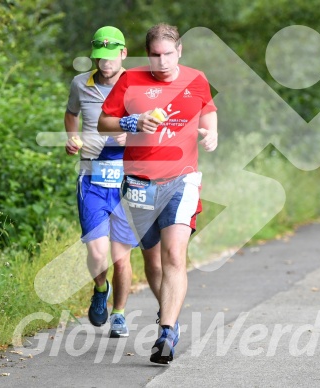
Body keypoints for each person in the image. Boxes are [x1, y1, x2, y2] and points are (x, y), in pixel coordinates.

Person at [98, 23, 218, 364]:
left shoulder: (196, 79)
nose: (161, 61)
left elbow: (208, 110)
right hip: (139, 183)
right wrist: (131, 122)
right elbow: (103, 122)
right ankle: (171, 315)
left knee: (175, 256)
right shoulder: (130, 80)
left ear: (179, 51)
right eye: (154, 55)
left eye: (167, 54)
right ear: (146, 54)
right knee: (152, 261)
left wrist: (211, 134)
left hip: (182, 180)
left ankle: (166, 331)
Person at [64, 26, 138, 337]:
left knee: (121, 257)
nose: (105, 63)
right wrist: (72, 136)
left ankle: (119, 314)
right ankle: (100, 287)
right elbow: (71, 114)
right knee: (97, 252)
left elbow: (156, 124)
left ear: (123, 53)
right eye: (99, 57)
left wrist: (131, 133)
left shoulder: (138, 86)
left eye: (111, 57)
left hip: (127, 177)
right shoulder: (81, 83)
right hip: (91, 175)